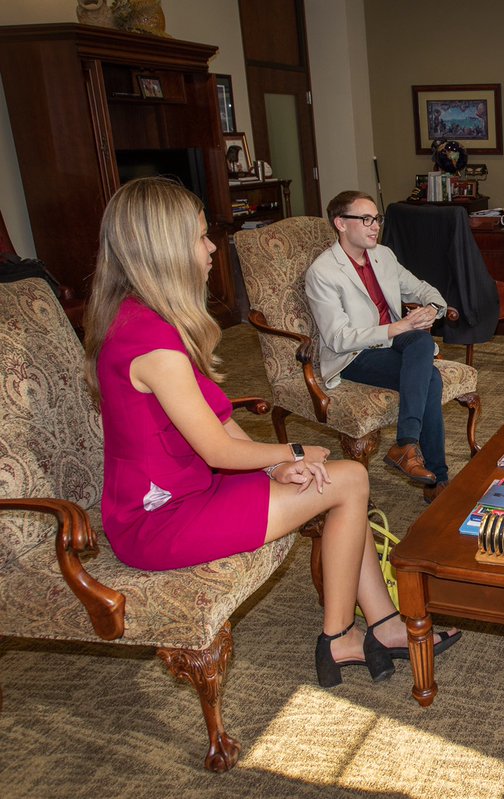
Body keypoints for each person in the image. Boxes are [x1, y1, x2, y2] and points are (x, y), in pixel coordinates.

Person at [84, 178, 458, 688]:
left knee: (341, 481)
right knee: (346, 479)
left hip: (193, 487)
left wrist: (278, 464)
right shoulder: (151, 342)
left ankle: (384, 624)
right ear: (164, 248)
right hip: (161, 518)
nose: (211, 247)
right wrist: (293, 449)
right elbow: (217, 448)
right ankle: (339, 636)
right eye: (200, 237)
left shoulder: (145, 320)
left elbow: (219, 422)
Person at [306, 190, 451, 501]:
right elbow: (338, 338)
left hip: (395, 342)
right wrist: (396, 327)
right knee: (431, 376)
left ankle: (406, 447)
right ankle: (437, 479)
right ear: (340, 223)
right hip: (354, 355)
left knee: (421, 341)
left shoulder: (383, 255)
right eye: (366, 219)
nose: (375, 226)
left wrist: (433, 309)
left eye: (377, 219)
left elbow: (423, 289)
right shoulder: (323, 272)